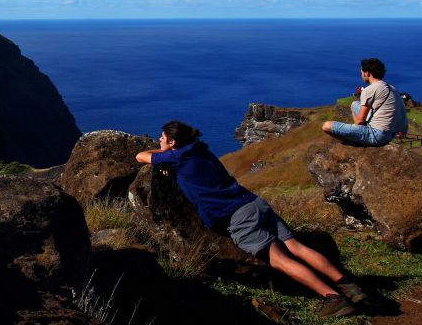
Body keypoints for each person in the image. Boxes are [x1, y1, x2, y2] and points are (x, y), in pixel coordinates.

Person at [136, 120, 367, 318]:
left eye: (162, 138)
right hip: (253, 202)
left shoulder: (177, 158)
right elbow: (172, 158)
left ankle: (332, 297)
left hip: (236, 216)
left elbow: (140, 156)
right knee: (295, 246)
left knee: (280, 260)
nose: (159, 139)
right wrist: (167, 158)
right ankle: (349, 285)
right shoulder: (200, 150)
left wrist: (164, 158)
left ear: (172, 142)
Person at [322, 58, 409, 147]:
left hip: (377, 135)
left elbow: (360, 121)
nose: (361, 75)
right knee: (354, 104)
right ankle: (359, 133)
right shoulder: (391, 88)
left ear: (367, 73)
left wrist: (353, 130)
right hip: (392, 133)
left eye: (361, 72)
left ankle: (352, 141)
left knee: (327, 126)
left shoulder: (369, 90)